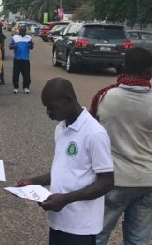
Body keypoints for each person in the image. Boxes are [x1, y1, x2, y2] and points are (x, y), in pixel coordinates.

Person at [16, 78, 114, 245]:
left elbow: (107, 182)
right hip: (59, 220)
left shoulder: (94, 133)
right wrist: (33, 182)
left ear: (69, 99)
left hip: (81, 226)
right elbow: (65, 168)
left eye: (52, 107)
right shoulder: (61, 128)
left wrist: (66, 199)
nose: (48, 112)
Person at [92, 48, 152, 245]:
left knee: (98, 235)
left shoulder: (104, 96)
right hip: (146, 180)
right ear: (149, 71)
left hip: (113, 179)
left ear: (123, 67)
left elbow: (92, 133)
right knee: (138, 239)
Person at [9, 25, 34, 94]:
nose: (22, 32)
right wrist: (14, 46)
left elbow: (31, 47)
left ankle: (26, 87)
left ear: (25, 31)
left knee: (26, 75)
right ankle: (16, 87)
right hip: (17, 59)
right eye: (21, 30)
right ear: (19, 31)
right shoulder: (15, 37)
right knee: (15, 74)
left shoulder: (29, 38)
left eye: (23, 31)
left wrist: (31, 45)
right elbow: (10, 46)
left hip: (25, 59)